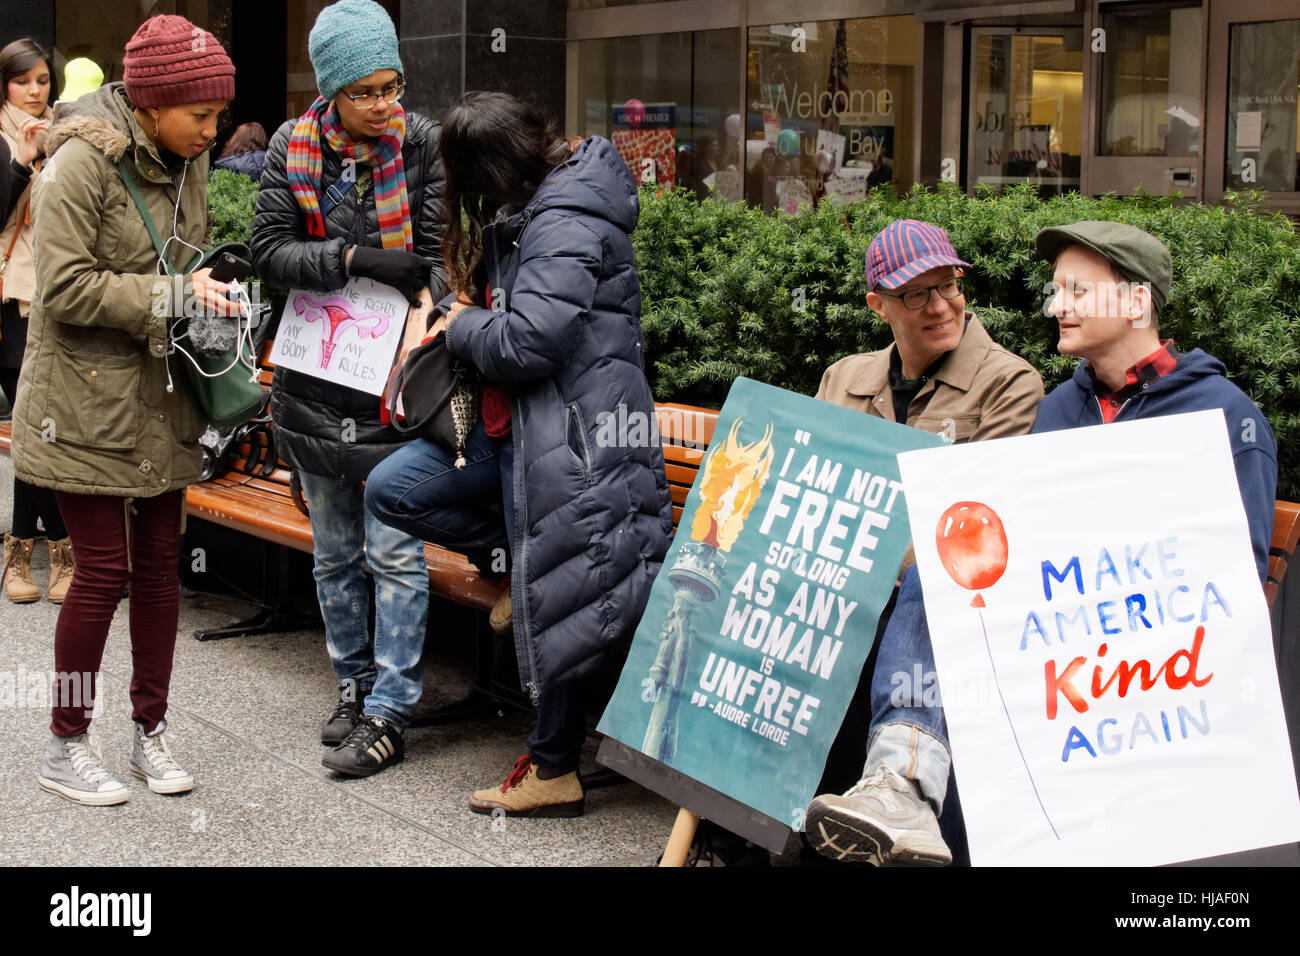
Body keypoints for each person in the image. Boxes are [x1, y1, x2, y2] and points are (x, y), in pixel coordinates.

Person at [804, 220, 1277, 865]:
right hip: (1043, 650)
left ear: (1137, 302)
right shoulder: (1062, 408)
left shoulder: (1222, 416)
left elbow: (1236, 581)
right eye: (1057, 290)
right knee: (945, 561)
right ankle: (900, 786)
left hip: (1147, 672)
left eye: (1078, 291)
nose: (1058, 306)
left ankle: (907, 787)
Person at [365, 91, 674, 817]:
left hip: (574, 433)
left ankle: (555, 764)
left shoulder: (564, 215)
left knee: (565, 576)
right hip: (523, 429)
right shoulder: (542, 203)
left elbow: (531, 341)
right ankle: (505, 561)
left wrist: (462, 322)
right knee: (392, 488)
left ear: (494, 167)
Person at [12, 14, 236, 805]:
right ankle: (64, 743)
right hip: (81, 402)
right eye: (199, 116)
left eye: (217, 115)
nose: (212, 132)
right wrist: (173, 294)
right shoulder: (80, 162)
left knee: (160, 573)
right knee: (103, 572)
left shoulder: (188, 160)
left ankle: (150, 731)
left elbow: (188, 259)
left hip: (162, 390)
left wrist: (215, 294)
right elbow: (64, 288)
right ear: (147, 104)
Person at [250, 0, 446, 777]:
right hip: (315, 379)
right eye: (365, 91)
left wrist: (413, 274)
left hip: (396, 384)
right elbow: (269, 249)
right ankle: (352, 684)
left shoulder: (424, 145)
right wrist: (357, 260)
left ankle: (393, 706)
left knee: (395, 553)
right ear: (331, 89)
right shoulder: (292, 147)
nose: (383, 105)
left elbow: (439, 257)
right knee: (334, 552)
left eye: (391, 86)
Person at [1, 38, 73, 604]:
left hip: (54, 295)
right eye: (24, 80)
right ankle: (41, 549)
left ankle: (27, 547)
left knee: (40, 422)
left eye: (43, 81)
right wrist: (22, 163)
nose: (34, 91)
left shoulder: (67, 134)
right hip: (8, 301)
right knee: (31, 425)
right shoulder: (5, 138)